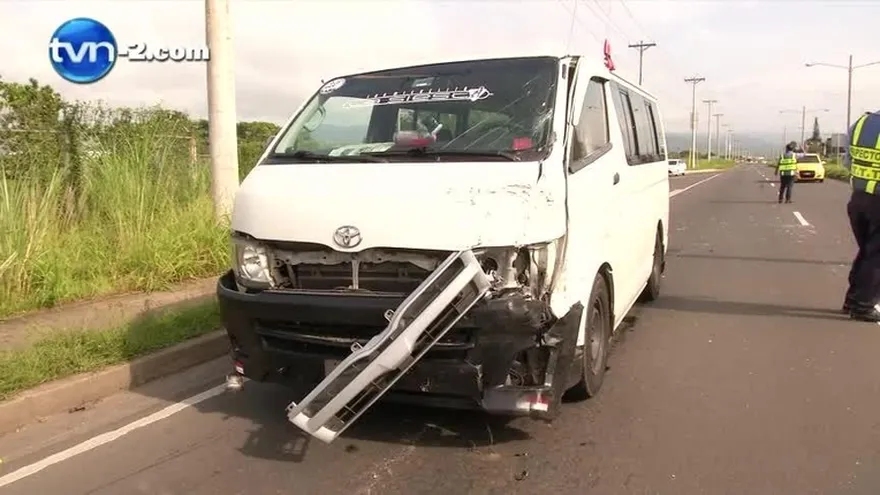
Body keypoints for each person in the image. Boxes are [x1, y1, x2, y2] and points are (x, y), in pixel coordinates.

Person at [843, 111, 880, 322]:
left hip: (858, 199)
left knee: (868, 253)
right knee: (876, 257)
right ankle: (863, 306)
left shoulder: (861, 123)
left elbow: (847, 162)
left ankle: (852, 299)